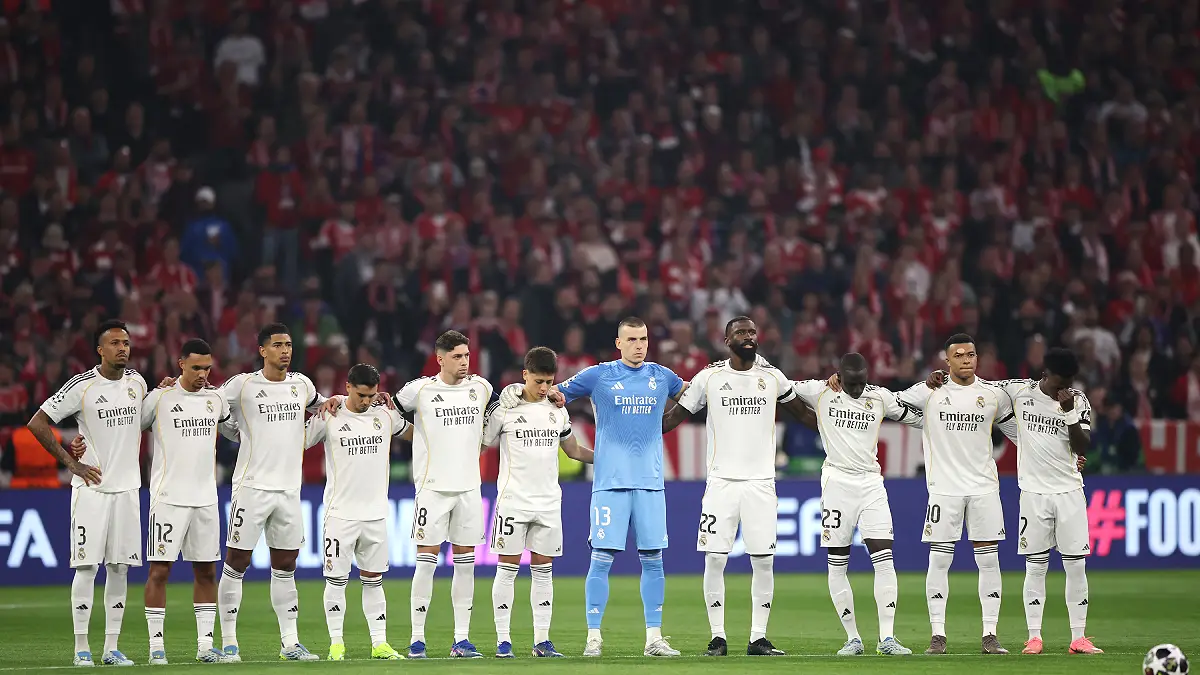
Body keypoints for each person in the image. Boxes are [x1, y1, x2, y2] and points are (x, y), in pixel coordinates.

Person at [500, 316, 686, 658]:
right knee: (600, 560)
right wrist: (513, 390)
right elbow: (552, 394)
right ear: (618, 343)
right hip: (609, 484)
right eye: (631, 339)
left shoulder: (662, 376)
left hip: (650, 483)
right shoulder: (599, 375)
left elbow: (695, 395)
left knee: (653, 560)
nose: (639, 345)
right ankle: (594, 637)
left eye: (643, 338)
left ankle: (654, 639)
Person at [831, 333, 1014, 655]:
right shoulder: (928, 391)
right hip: (944, 490)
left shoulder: (993, 394)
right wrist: (840, 380)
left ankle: (990, 634)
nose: (966, 359)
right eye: (958, 355)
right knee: (940, 561)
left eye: (971, 354)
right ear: (947, 360)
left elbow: (1017, 431)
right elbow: (891, 401)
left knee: (988, 562)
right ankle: (938, 636)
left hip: (985, 487)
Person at [924, 348, 1102, 655]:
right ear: (1046, 374)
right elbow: (978, 386)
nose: (1066, 386)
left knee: (1076, 565)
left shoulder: (1078, 400)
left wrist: (1069, 411)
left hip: (1071, 491)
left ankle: (1079, 637)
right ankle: (1034, 637)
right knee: (1035, 566)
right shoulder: (1018, 391)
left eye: (1071, 380)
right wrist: (940, 380)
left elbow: (1084, 443)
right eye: (1061, 380)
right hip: (1033, 493)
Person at [662, 316, 815, 657]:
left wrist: (839, 424)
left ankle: (758, 638)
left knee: (763, 561)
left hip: (761, 483)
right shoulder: (710, 377)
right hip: (721, 483)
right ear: (726, 340)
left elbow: (803, 414)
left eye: (752, 332)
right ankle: (717, 638)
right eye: (740, 332)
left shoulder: (772, 377)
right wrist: (634, 430)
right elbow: (674, 417)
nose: (748, 337)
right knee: (715, 559)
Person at [27, 319, 147, 667]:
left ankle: (111, 649)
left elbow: (144, 420)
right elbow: (38, 422)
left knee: (120, 568)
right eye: (114, 343)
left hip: (127, 490)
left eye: (126, 342)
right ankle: (82, 649)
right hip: (92, 489)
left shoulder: (138, 383)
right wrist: (70, 461)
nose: (122, 348)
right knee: (86, 567)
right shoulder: (82, 386)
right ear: (100, 350)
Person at [216, 323, 331, 662]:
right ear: (262, 350)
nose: (285, 350)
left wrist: (346, 398)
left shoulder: (302, 385)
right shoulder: (242, 385)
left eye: (289, 344)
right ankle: (230, 643)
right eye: (278, 345)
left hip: (288, 491)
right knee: (236, 563)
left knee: (286, 565)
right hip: (251, 488)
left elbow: (325, 406)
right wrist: (233, 432)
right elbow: (209, 404)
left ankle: (290, 643)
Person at [795, 352, 921, 656]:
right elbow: (781, 387)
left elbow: (916, 416)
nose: (856, 388)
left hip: (870, 484)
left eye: (861, 382)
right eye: (850, 383)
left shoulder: (879, 397)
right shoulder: (820, 391)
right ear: (838, 375)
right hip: (837, 484)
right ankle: (853, 638)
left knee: (885, 557)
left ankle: (887, 639)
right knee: (838, 561)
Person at [481, 346, 594, 658]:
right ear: (525, 375)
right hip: (513, 501)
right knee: (507, 569)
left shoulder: (557, 411)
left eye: (548, 381)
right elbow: (481, 443)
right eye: (538, 381)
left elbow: (573, 451)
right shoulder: (505, 409)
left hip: (547, 503)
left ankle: (542, 642)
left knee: (544, 571)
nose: (544, 388)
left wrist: (606, 460)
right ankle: (503, 640)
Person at [393, 330, 495, 658]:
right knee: (426, 563)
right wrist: (414, 434)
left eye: (466, 356)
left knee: (465, 566)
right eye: (457, 356)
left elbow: (499, 412)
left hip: (468, 488)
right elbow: (387, 412)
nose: (464, 362)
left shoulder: (480, 388)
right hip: (432, 489)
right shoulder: (419, 390)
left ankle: (461, 640)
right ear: (440, 358)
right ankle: (417, 640)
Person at [138, 339, 239, 664]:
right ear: (180, 363)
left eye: (207, 367)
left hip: (206, 499)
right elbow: (126, 430)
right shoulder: (159, 398)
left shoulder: (215, 399)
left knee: (207, 572)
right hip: (168, 499)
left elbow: (235, 430)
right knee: (160, 572)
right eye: (196, 367)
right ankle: (156, 649)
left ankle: (205, 647)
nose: (202, 373)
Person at [304, 364, 411, 661]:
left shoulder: (385, 414)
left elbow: (415, 434)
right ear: (348, 386)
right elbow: (296, 442)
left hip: (376, 514)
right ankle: (336, 644)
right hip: (340, 514)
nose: (366, 401)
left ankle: (380, 644)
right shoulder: (330, 414)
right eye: (361, 395)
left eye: (371, 395)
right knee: (336, 581)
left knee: (374, 579)